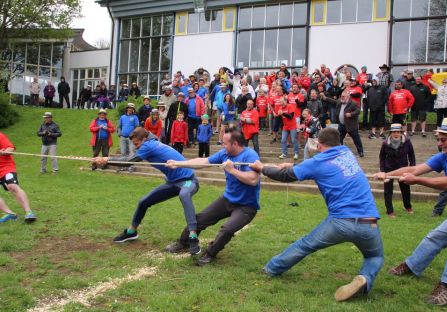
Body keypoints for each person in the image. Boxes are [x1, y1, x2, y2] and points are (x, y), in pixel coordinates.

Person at [250, 127, 383, 302]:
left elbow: (287, 176)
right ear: (339, 142)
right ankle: (365, 278)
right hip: (370, 222)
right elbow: (317, 166)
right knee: (375, 256)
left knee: (306, 245)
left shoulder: (318, 161)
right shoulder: (347, 153)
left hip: (341, 221)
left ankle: (272, 268)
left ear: (319, 145)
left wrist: (261, 168)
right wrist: (292, 165)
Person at [376, 117, 447, 306]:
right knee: (438, 235)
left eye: (444, 140)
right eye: (438, 139)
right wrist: (388, 174)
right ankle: (412, 266)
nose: (439, 143)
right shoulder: (446, 156)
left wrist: (417, 181)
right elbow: (415, 168)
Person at [93, 127, 201, 254]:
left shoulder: (148, 146)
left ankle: (193, 237)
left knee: (184, 195)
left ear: (144, 139)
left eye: (137, 144)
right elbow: (129, 159)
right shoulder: (149, 143)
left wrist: (107, 159)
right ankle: (131, 232)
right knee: (143, 202)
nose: (136, 147)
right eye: (134, 145)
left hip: (189, 181)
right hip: (173, 182)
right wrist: (107, 161)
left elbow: (128, 162)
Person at [165, 129, 261, 266]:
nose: (222, 145)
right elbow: (203, 161)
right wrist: (178, 163)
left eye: (225, 143)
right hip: (227, 199)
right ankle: (184, 242)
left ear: (235, 144)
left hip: (246, 206)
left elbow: (253, 180)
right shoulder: (224, 153)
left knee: (227, 229)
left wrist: (232, 170)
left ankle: (210, 253)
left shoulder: (250, 156)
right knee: (200, 219)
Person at [379, 124, 415, 218]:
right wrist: (382, 170)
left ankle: (408, 206)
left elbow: (411, 155)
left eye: (398, 132)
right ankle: (389, 211)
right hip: (389, 169)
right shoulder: (385, 143)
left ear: (401, 133)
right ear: (390, 133)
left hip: (403, 169)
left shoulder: (407, 142)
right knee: (388, 191)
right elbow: (382, 157)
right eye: (394, 132)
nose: (396, 134)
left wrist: (412, 168)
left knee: (405, 189)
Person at [0, 132, 36, 223]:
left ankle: (29, 212)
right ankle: (10, 214)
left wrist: (4, 152)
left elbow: (11, 148)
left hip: (5, 167)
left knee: (12, 186)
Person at [334, 93, 365, 157]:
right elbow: (333, 101)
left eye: (343, 96)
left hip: (351, 125)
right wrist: (325, 98)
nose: (341, 97)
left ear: (348, 97)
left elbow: (358, 111)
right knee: (338, 138)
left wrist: (351, 114)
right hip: (342, 124)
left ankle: (360, 151)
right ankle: (340, 151)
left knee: (356, 139)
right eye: (341, 96)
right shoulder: (340, 102)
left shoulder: (353, 103)